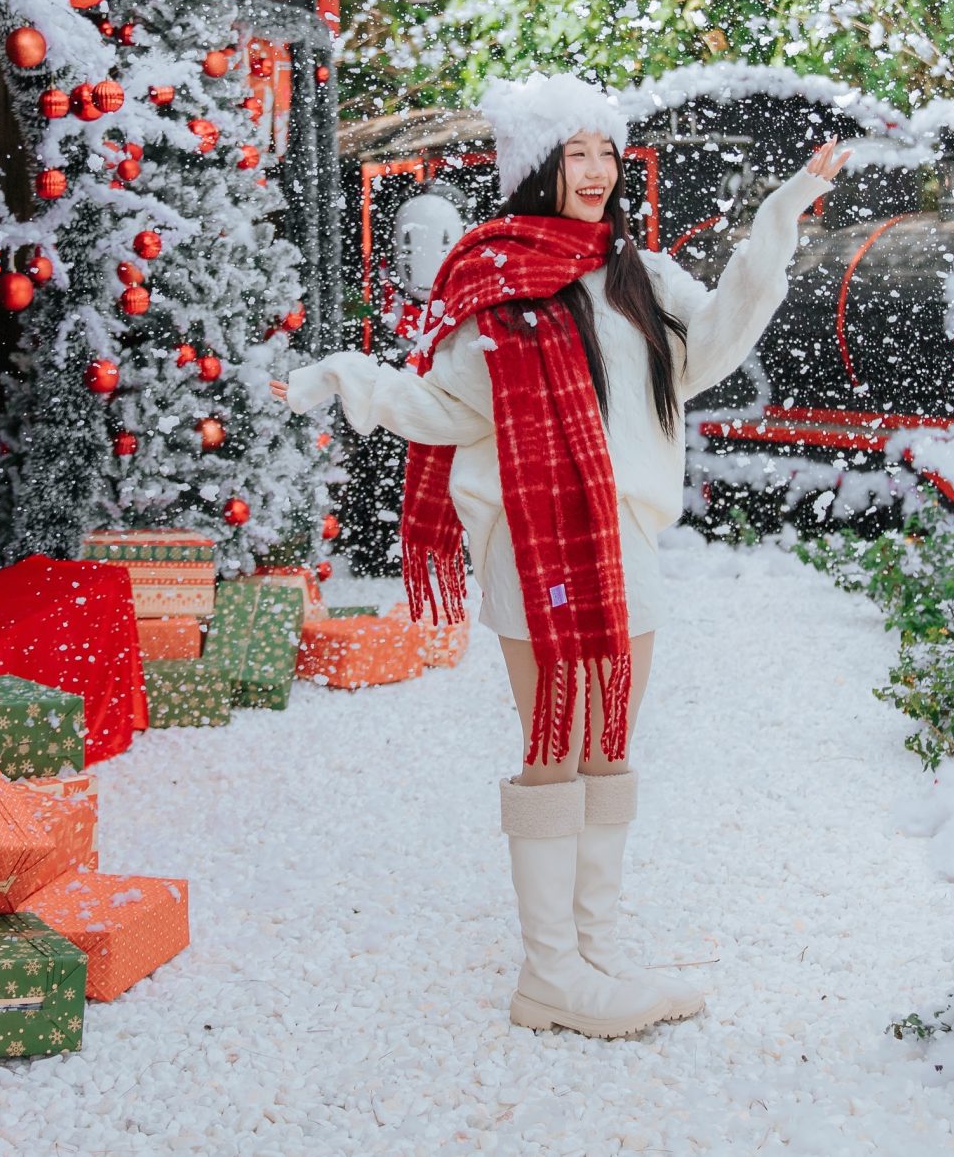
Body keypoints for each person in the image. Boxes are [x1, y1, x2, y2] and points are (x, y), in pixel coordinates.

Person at [286, 73, 847, 1038]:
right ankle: (549, 970)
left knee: (611, 748)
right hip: (535, 541)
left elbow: (712, 340)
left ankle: (595, 954)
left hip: (626, 541)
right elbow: (447, 405)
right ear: (536, 167)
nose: (596, 169)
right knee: (557, 746)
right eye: (574, 152)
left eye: (604, 151)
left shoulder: (639, 275)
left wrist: (778, 219)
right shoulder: (495, 281)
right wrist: (353, 380)